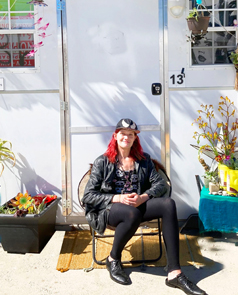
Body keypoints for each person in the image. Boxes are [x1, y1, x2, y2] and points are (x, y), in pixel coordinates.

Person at [81, 118, 207, 295]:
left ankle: (174, 273)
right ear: (115, 136)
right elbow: (88, 196)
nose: (126, 137)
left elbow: (161, 184)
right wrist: (118, 198)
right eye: (123, 134)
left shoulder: (143, 160)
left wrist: (143, 197)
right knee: (131, 213)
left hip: (136, 206)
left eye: (130, 134)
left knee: (168, 204)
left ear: (135, 138)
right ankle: (113, 258)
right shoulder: (103, 162)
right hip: (111, 209)